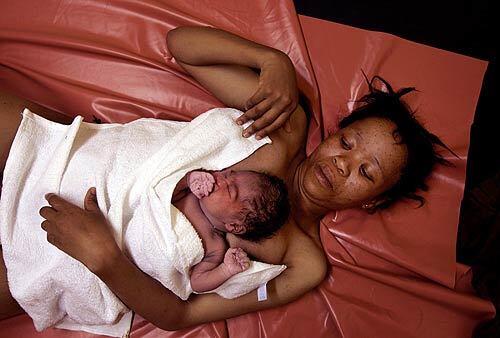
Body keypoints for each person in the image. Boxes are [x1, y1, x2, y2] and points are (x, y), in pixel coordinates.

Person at [0, 26, 450, 330]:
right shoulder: (282, 127)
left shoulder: (301, 262)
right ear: (334, 133)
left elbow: (182, 313)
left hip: (75, 261)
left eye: (366, 173)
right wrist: (271, 61)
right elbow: (182, 45)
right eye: (347, 144)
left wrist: (105, 259)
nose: (341, 164)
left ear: (373, 201)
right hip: (71, 162)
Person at [174, 169, 289, 292]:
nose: (219, 178)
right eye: (226, 174)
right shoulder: (191, 192)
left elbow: (196, 283)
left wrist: (225, 270)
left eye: (230, 189)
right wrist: (187, 180)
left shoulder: (215, 247)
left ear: (234, 225)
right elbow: (162, 191)